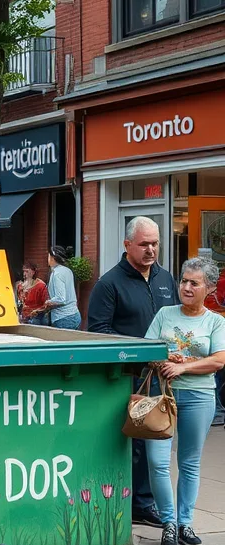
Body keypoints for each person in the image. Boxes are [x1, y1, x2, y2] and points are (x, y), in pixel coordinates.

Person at [88, 215, 179, 528]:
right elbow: (98, 332)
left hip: (161, 377)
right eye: (144, 244)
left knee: (155, 440)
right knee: (134, 443)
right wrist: (139, 355)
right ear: (127, 244)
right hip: (126, 378)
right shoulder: (109, 284)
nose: (151, 250)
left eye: (155, 243)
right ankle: (135, 503)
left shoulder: (166, 279)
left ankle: (144, 502)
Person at [143, 256, 225, 545]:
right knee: (158, 461)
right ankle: (168, 522)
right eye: (184, 281)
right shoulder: (165, 313)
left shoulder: (216, 321)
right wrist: (164, 359)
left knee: (189, 462)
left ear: (209, 288)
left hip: (199, 397)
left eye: (194, 283)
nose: (186, 287)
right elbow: (147, 349)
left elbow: (219, 360)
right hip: (162, 397)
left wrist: (183, 367)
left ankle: (185, 523)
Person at [41, 247, 80, 329]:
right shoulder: (68, 270)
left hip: (63, 318)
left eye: (48, 256)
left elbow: (61, 298)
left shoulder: (57, 274)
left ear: (52, 258)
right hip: (75, 314)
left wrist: (48, 302)